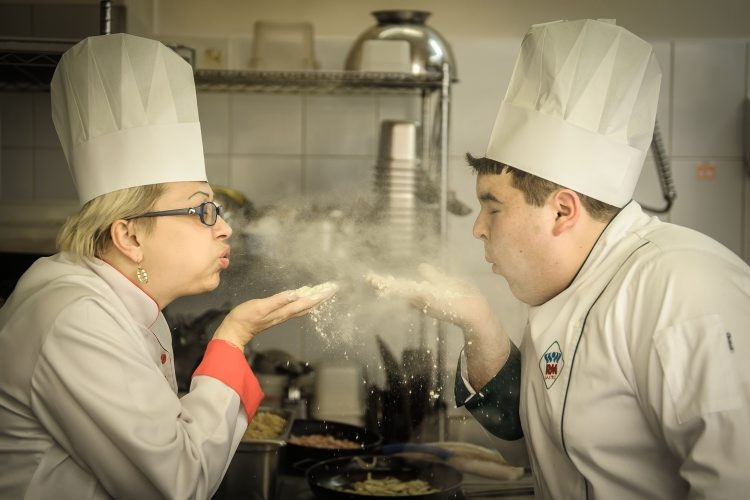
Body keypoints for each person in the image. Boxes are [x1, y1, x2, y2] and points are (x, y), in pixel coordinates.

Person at [368, 19, 750, 499]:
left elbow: (736, 482)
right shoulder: (571, 289)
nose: (478, 227)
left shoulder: (685, 287)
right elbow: (529, 442)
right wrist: (478, 321)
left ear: (562, 211)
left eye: (493, 207)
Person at [0, 34, 335, 498]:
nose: (224, 229)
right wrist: (232, 338)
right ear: (130, 236)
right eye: (203, 210)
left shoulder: (124, 304)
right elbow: (178, 484)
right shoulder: (76, 320)